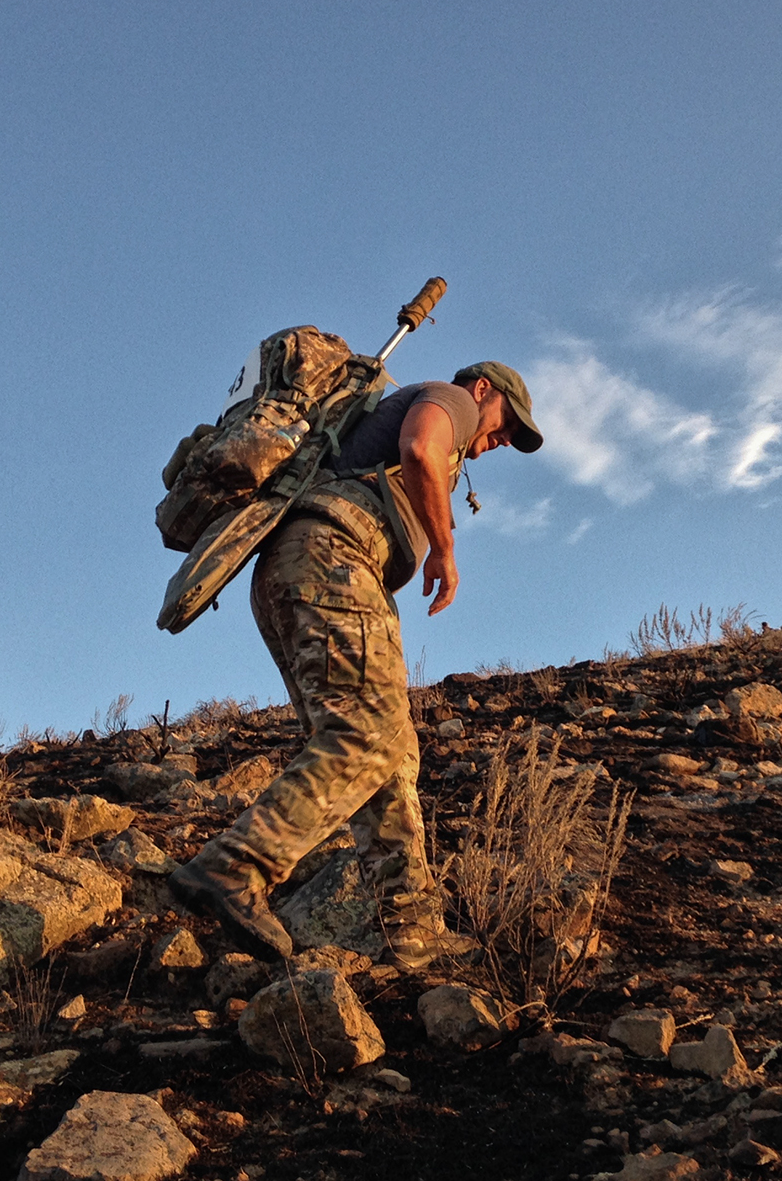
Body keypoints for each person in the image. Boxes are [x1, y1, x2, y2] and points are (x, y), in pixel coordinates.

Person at [170, 362, 543, 967]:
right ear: (484, 391)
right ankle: (235, 865)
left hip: (302, 568)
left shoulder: (445, 415)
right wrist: (445, 551)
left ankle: (412, 931)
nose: (502, 441)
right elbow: (421, 447)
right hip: (332, 555)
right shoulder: (454, 400)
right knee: (366, 733)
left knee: (391, 751)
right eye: (508, 424)